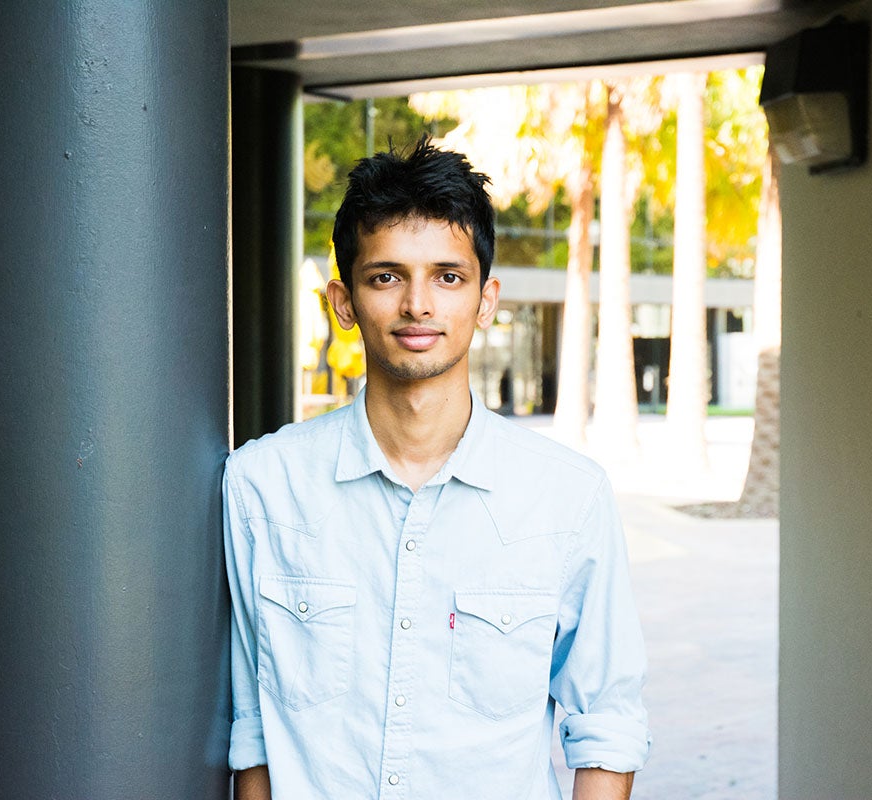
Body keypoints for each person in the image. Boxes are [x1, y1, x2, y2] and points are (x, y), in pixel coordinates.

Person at [223, 137, 651, 799]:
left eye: (448, 277)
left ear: (485, 300)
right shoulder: (261, 486)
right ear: (342, 301)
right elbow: (252, 728)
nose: (417, 305)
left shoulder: (567, 497)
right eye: (386, 276)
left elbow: (608, 723)